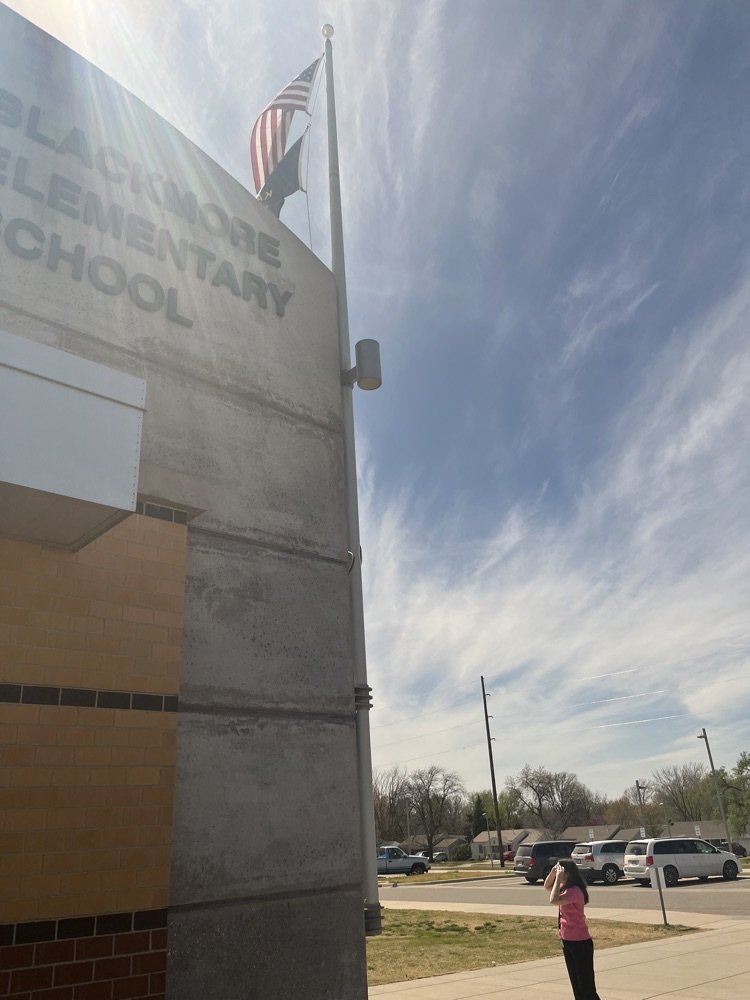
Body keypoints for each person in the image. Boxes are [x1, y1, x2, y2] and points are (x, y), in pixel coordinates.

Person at [544, 858, 602, 1000]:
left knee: (585, 985)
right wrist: (553, 873)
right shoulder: (565, 888)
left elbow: (553, 900)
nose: (558, 872)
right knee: (576, 983)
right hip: (567, 941)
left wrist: (557, 879)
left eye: (561, 871)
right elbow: (547, 887)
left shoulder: (574, 891)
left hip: (580, 942)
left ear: (567, 873)